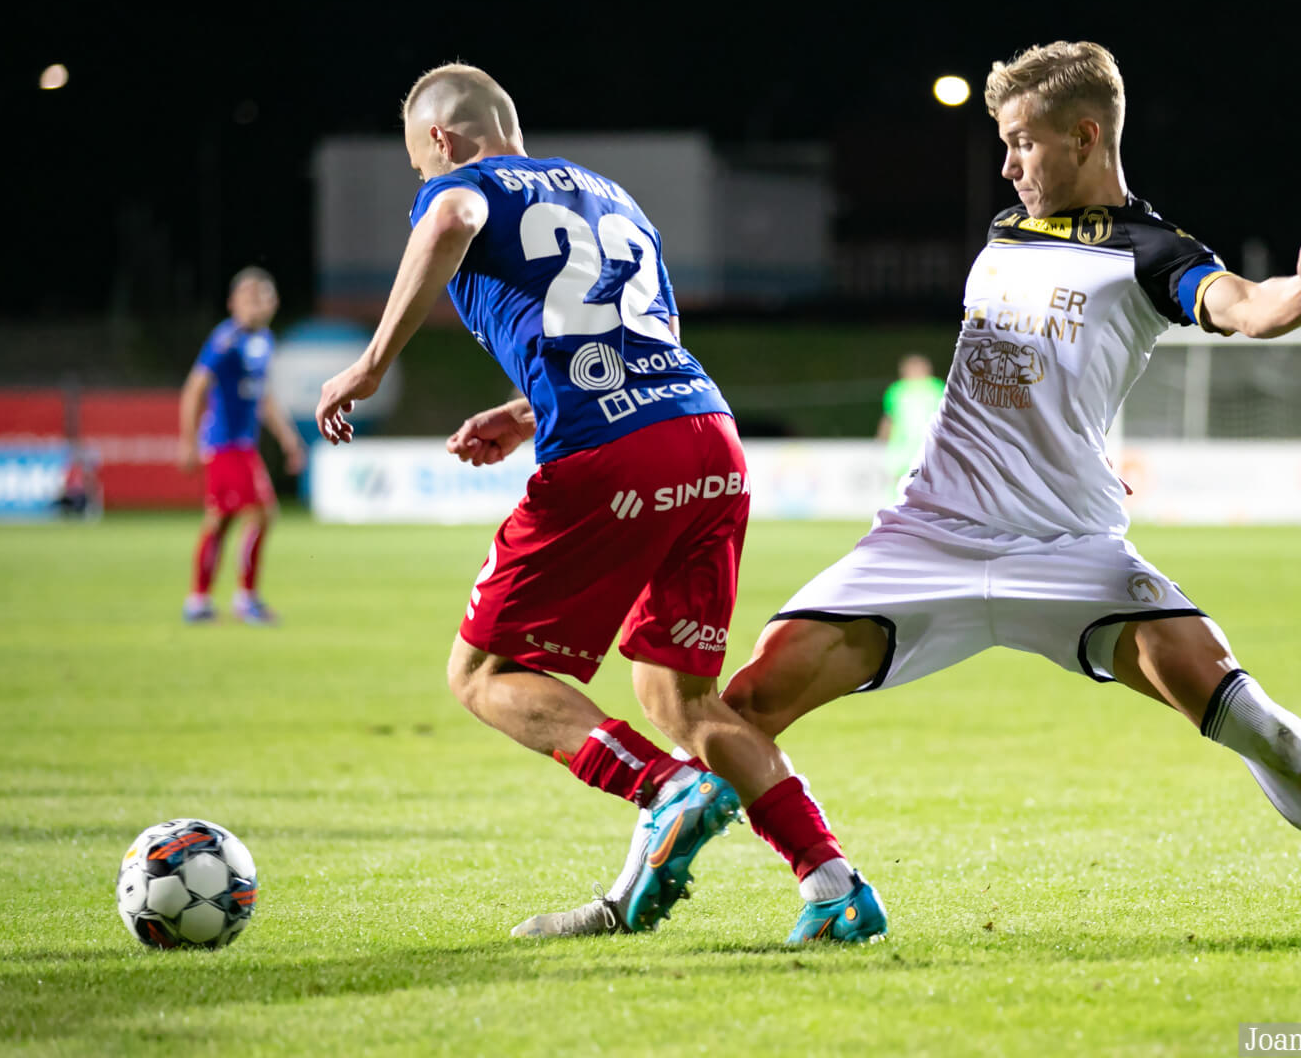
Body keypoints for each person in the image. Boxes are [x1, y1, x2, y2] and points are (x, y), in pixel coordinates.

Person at [534, 41, 1301, 948]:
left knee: (1240, 710)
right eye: (1006, 144)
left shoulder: (1153, 253)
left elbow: (1242, 306)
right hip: (928, 537)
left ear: (1086, 136)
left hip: (1069, 549)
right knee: (742, 705)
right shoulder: (1005, 234)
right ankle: (637, 900)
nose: (1010, 164)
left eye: (1023, 142)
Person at [312, 64, 883, 943]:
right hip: (706, 435)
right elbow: (647, 332)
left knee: (483, 675)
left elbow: (453, 218)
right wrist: (522, 412)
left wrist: (370, 364)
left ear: (440, 140)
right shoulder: (609, 195)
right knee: (681, 699)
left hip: (610, 450)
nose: (422, 182)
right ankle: (834, 887)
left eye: (418, 164)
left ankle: (665, 790)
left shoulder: (463, 185)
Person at [177, 267, 306, 625]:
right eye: (249, 298)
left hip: (241, 445)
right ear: (233, 303)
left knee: (220, 520)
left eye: (263, 297)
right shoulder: (226, 340)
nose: (257, 304)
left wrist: (288, 438)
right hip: (224, 444)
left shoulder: (263, 340)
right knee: (263, 513)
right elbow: (194, 389)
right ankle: (245, 599)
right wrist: (187, 441)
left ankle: (198, 601)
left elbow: (262, 396)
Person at [877, 353, 945, 481]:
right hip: (902, 450)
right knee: (905, 480)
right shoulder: (897, 390)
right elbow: (890, 418)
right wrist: (882, 439)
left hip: (929, 447)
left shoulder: (937, 388)